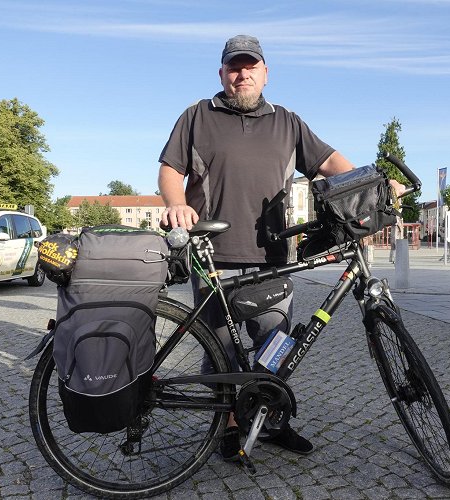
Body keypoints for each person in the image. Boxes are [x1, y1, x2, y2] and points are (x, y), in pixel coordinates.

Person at [159, 35, 403, 461]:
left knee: (276, 344)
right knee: (224, 353)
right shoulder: (198, 115)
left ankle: (271, 421)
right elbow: (169, 169)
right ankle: (230, 429)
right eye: (234, 67)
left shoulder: (288, 122)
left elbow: (331, 165)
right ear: (222, 74)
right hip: (213, 255)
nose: (243, 73)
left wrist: (375, 186)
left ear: (265, 73)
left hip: (274, 256)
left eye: (251, 66)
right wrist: (177, 204)